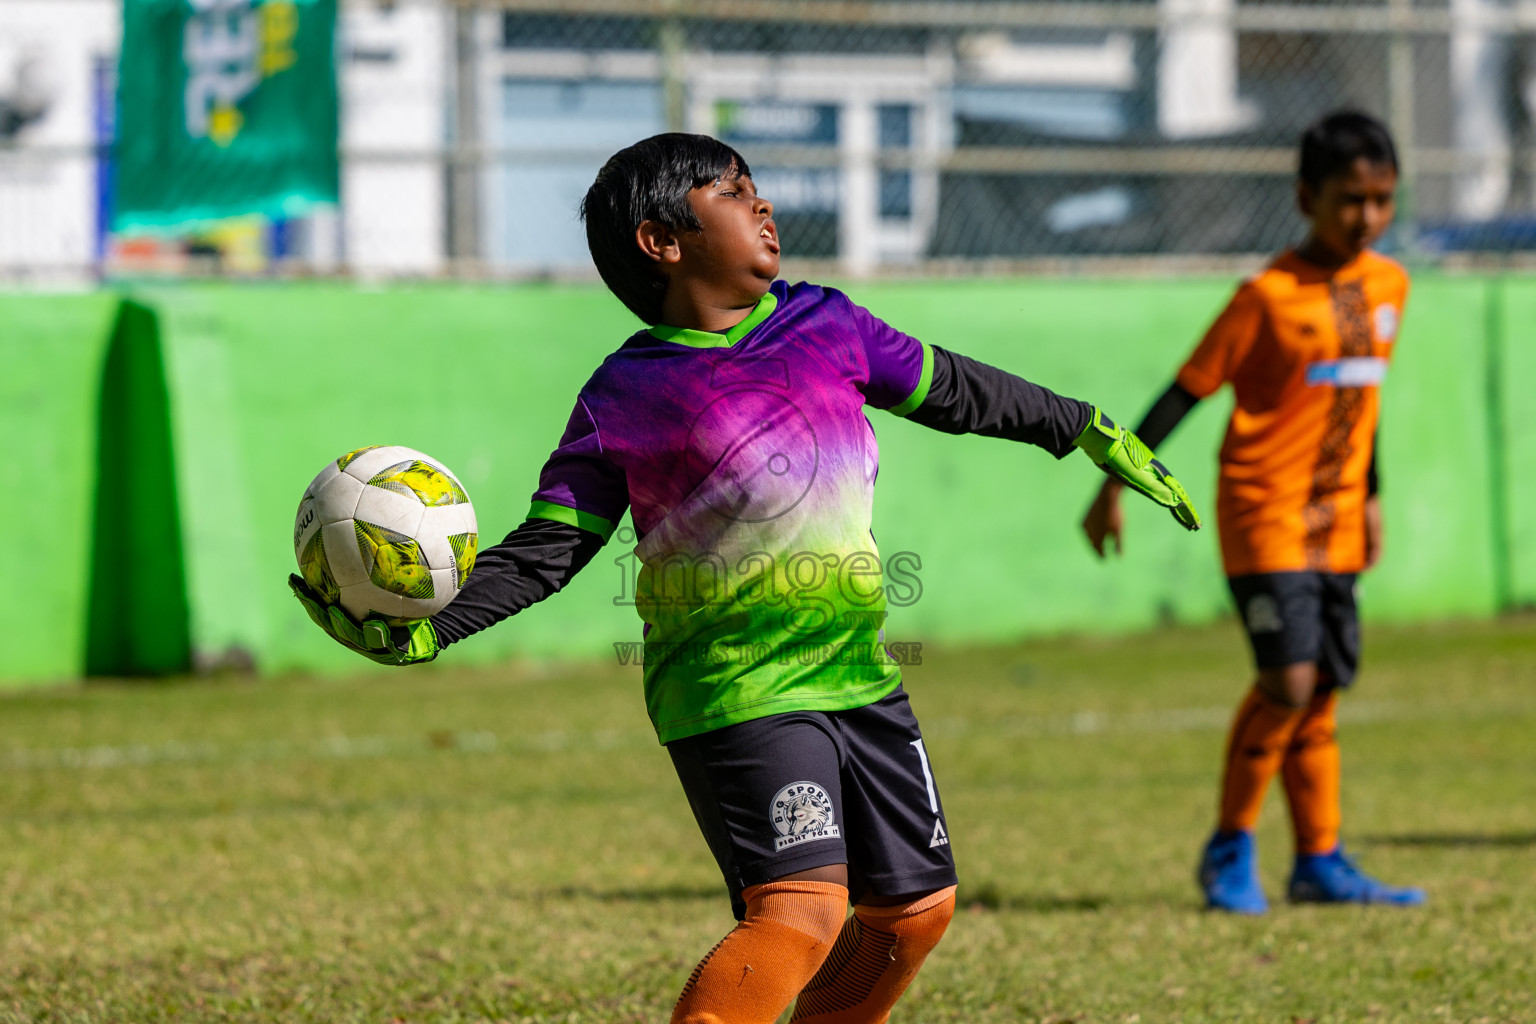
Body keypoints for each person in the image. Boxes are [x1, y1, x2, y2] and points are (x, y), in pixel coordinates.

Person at [292, 132, 1200, 1022]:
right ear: (663, 240)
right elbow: (550, 547)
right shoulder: (623, 396)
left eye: (754, 184)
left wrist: (1080, 427)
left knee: (912, 915)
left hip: (858, 674)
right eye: (732, 191)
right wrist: (430, 627)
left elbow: (955, 388)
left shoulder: (828, 324)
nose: (761, 202)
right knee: (799, 916)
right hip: (734, 689)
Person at [1081, 110, 1426, 914]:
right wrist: (1113, 482)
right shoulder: (1265, 297)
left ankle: (1321, 860)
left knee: (1326, 688)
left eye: (1382, 199)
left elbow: (1358, 398)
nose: (1369, 216)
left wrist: (1370, 495)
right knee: (1289, 678)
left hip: (1339, 518)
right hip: (1264, 515)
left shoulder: (1390, 286)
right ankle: (1229, 848)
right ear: (1307, 196)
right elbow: (1187, 389)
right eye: (1351, 199)